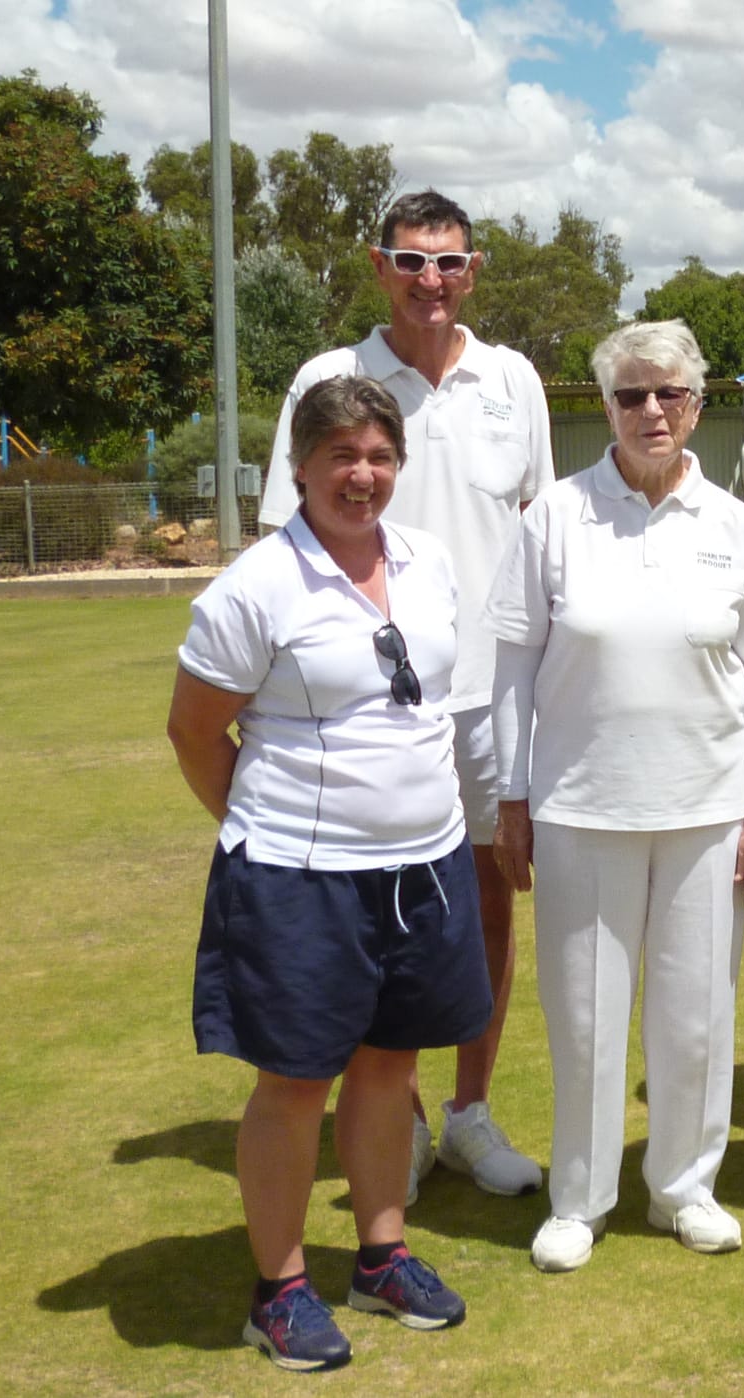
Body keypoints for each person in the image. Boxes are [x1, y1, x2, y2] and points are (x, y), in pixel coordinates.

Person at [168, 376, 489, 1371]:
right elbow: (193, 733)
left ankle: (380, 1256)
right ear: (299, 468)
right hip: (299, 879)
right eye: (341, 457)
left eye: (380, 457)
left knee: (391, 1069)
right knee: (295, 1083)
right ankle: (280, 1289)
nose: (362, 476)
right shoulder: (254, 588)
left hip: (425, 863)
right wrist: (274, 836)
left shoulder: (428, 561)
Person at [258, 189, 551, 1205]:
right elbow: (278, 543)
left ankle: (469, 1113)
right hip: (363, 707)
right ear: (378, 265)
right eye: (411, 260)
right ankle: (401, 1117)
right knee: (377, 907)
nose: (431, 280)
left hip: (488, 698)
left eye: (450, 262)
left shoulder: (513, 380)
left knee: (483, 903)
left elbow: (537, 541)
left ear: (474, 269)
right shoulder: (329, 379)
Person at [483, 321, 744, 1269]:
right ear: (607, 407)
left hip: (706, 816)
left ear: (696, 403)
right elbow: (512, 667)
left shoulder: (732, 522)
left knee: (696, 1015)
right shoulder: (557, 517)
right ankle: (578, 1200)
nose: (651, 412)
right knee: (583, 1014)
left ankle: (683, 1188)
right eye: (630, 396)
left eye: (669, 394)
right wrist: (513, 796)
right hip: (581, 811)